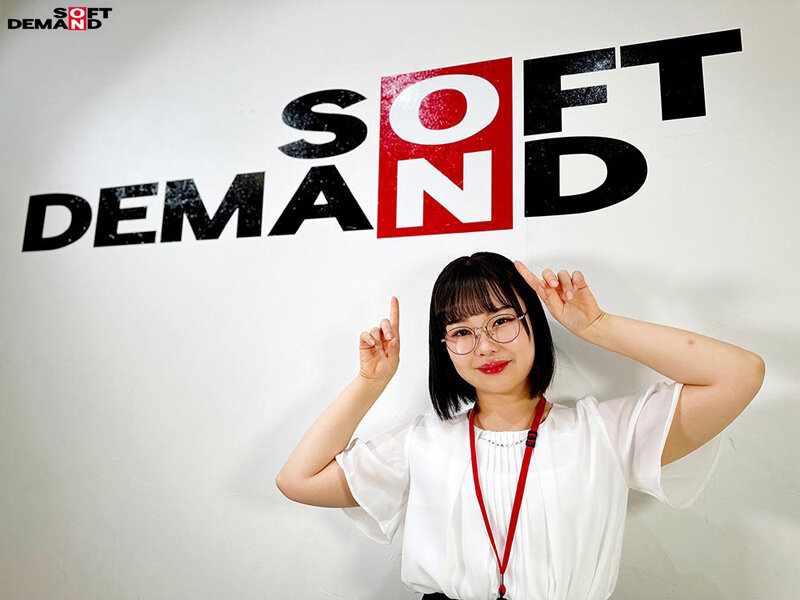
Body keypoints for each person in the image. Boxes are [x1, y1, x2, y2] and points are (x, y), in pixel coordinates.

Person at [276, 252, 765, 600]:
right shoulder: (422, 443)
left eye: (501, 321)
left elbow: (740, 375)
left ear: (534, 323)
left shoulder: (603, 432)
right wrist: (371, 382)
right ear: (444, 349)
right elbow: (298, 480)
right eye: (461, 332)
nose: (485, 346)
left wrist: (597, 326)